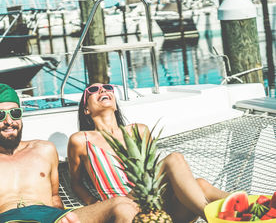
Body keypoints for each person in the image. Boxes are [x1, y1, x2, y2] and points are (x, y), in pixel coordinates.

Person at [0, 83, 139, 223]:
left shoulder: (44, 150)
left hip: (52, 218)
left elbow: (55, 198)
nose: (9, 121)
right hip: (5, 219)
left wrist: (65, 216)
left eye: (15, 113)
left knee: (123, 205)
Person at [67, 83, 229, 222]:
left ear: (115, 105)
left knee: (200, 183)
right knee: (174, 158)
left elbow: (154, 175)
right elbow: (76, 182)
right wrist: (93, 202)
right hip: (124, 204)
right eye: (94, 90)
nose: (103, 91)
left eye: (108, 88)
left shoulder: (139, 130)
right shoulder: (81, 140)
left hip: (159, 208)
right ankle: (214, 218)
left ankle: (248, 205)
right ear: (86, 109)